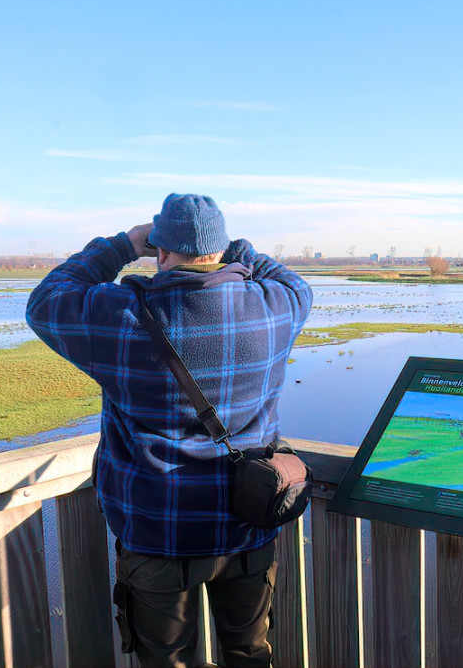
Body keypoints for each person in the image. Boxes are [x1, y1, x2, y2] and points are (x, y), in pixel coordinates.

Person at [26, 193, 312, 667]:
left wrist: (122, 245)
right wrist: (237, 249)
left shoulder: (122, 315)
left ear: (159, 251)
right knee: (249, 655)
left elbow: (45, 302)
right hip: (248, 526)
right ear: (219, 250)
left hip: (158, 532)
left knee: (168, 662)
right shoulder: (275, 307)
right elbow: (293, 280)